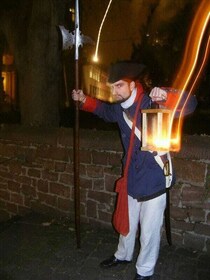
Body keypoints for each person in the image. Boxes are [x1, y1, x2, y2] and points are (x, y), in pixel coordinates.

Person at [72, 61, 197, 280]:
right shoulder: (120, 110)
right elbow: (102, 110)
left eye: (119, 86)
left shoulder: (153, 101)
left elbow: (191, 104)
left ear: (132, 85)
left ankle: (145, 271)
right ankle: (123, 255)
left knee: (149, 232)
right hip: (131, 176)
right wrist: (84, 101)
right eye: (112, 87)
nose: (114, 91)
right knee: (126, 223)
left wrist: (167, 96)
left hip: (154, 178)